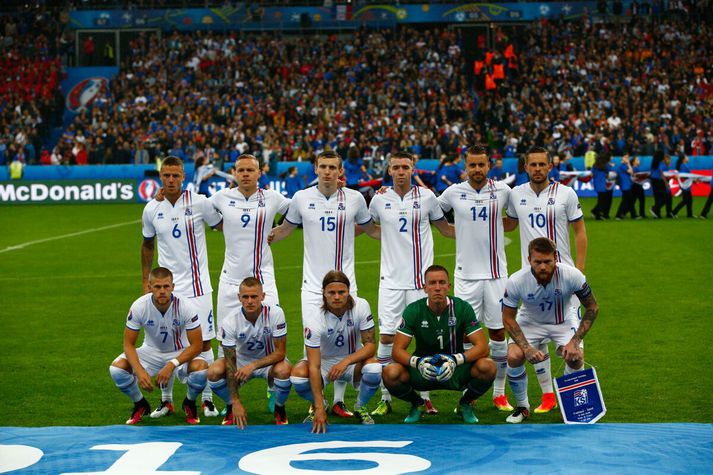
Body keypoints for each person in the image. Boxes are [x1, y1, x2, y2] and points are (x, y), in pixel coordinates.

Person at [269, 150, 380, 417]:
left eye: (332, 167)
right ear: (315, 169)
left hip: (346, 283)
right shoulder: (301, 198)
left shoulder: (355, 199)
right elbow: (285, 229)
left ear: (340, 171)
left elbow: (371, 230)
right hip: (311, 286)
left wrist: (402, 227)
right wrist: (261, 235)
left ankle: (339, 401)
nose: (328, 171)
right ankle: (320, 401)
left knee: (346, 342)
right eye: (323, 166)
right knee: (319, 341)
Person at [368, 151, 455, 417]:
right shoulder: (379, 200)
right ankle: (386, 397)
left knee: (424, 338)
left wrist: (480, 231)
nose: (401, 171)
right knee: (387, 337)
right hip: (391, 281)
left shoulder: (427, 197)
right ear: (389, 170)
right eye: (396, 167)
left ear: (412, 168)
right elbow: (370, 228)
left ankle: (425, 397)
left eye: (406, 166)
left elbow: (445, 228)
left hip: (420, 282)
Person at [504, 146, 588, 414]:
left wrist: (580, 272)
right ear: (525, 167)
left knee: (573, 350)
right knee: (529, 343)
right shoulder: (516, 194)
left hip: (564, 281)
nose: (538, 169)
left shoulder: (566, 193)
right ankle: (547, 396)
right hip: (531, 280)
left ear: (550, 167)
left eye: (542, 164)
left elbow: (580, 232)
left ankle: (572, 399)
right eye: (533, 165)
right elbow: (507, 224)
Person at [141, 156, 223, 419]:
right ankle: (166, 401)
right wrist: (146, 280)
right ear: (160, 176)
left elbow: (221, 224)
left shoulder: (200, 202)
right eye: (167, 175)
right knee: (168, 342)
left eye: (176, 175)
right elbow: (147, 245)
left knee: (205, 342)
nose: (171, 180)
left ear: (184, 176)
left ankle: (207, 400)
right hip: (168, 289)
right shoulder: (151, 209)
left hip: (199, 287)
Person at [437, 144, 514, 412]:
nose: (477, 170)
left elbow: (514, 220)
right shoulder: (453, 192)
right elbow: (432, 215)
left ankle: (499, 393)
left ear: (489, 166)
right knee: (466, 337)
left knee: (498, 332)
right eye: (473, 165)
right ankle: (470, 393)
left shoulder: (504, 191)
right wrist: (457, 233)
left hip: (496, 275)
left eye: (482, 165)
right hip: (466, 277)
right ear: (465, 166)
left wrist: (489, 231)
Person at [502, 237, 599, 423]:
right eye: (538, 262)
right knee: (514, 356)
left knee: (575, 357)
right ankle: (522, 407)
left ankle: (569, 405)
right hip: (530, 323)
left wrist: (574, 341)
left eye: (547, 261)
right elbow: (507, 318)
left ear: (556, 257)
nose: (543, 267)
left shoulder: (572, 275)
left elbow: (592, 307)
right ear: (529, 259)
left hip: (562, 321)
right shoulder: (516, 280)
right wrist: (526, 347)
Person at [383, 265, 496, 424]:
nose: (437, 288)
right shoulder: (414, 310)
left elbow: (482, 347)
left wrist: (456, 360)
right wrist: (418, 362)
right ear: (425, 288)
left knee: (488, 367)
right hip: (423, 369)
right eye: (432, 283)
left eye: (442, 283)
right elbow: (397, 351)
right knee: (390, 372)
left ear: (449, 286)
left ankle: (465, 404)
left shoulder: (462, 308)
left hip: (455, 368)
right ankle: (417, 404)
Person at [109, 267, 208, 425]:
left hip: (180, 352)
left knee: (201, 368)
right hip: (151, 352)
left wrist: (171, 364)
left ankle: (189, 402)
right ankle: (140, 403)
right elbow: (128, 344)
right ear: (150, 287)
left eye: (166, 286)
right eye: (157, 287)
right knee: (117, 369)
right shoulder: (139, 306)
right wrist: (140, 372)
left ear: (173, 287)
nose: (162, 291)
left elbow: (197, 346)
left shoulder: (186, 306)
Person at [290, 271, 382, 433]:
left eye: (342, 292)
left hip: (352, 361)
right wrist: (318, 407)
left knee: (374, 369)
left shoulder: (361, 306)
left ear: (348, 291)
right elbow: (313, 365)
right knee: (297, 376)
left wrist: (345, 362)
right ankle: (321, 404)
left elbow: (370, 346)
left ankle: (360, 407)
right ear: (324, 294)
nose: (337, 297)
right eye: (332, 293)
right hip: (323, 362)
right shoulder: (314, 317)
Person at [207, 278, 292, 428]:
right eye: (245, 297)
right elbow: (229, 362)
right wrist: (236, 401)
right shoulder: (230, 321)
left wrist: (253, 365)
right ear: (239, 298)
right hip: (240, 362)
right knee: (214, 372)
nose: (250, 301)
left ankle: (279, 407)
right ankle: (231, 407)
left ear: (263, 296)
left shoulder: (276, 313)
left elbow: (280, 353)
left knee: (284, 370)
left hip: (269, 362)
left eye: (254, 296)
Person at [590, 152, 613, 220]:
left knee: (601, 199)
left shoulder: (595, 165)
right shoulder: (605, 165)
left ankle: (595, 211)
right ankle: (598, 215)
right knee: (602, 200)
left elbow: (592, 174)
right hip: (602, 183)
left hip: (596, 183)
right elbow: (609, 172)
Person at [649, 151, 672, 218]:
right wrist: (666, 182)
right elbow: (662, 173)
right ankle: (654, 208)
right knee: (665, 198)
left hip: (653, 181)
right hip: (659, 181)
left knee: (657, 198)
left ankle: (657, 214)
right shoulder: (661, 163)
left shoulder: (654, 163)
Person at [672, 154, 694, 218]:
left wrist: (692, 178)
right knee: (686, 200)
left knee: (689, 200)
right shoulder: (682, 166)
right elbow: (683, 176)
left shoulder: (683, 165)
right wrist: (692, 177)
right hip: (685, 186)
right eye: (686, 157)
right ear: (683, 159)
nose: (688, 158)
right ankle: (673, 212)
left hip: (686, 185)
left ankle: (689, 214)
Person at [615, 154, 635, 219]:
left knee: (629, 200)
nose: (627, 159)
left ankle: (632, 214)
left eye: (628, 158)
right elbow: (631, 172)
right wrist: (628, 163)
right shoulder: (623, 166)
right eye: (625, 157)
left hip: (627, 185)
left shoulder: (623, 166)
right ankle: (619, 215)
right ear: (622, 158)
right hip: (625, 186)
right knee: (626, 201)